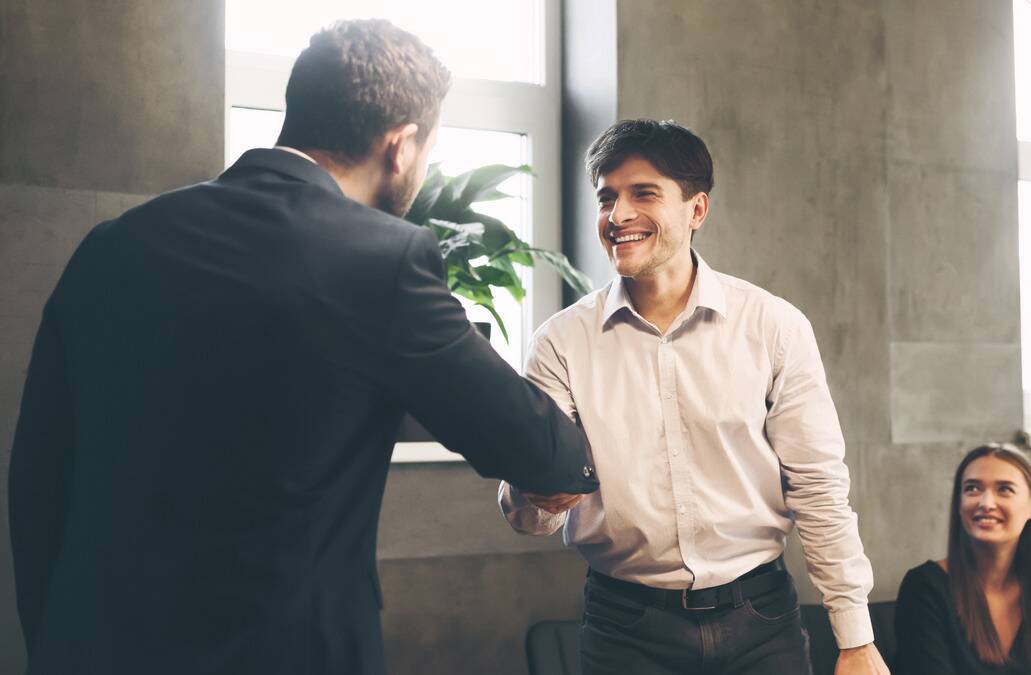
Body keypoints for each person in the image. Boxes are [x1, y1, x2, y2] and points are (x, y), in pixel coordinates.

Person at [8, 19, 597, 675]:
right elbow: (538, 451)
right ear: (400, 147)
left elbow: (36, 481)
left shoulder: (112, 245)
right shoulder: (384, 261)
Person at [497, 119, 888, 675]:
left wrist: (855, 638)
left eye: (644, 194)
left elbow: (819, 486)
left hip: (761, 619)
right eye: (607, 198)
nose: (619, 215)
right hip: (624, 628)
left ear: (697, 210)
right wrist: (535, 497)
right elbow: (530, 512)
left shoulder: (773, 326)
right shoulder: (560, 342)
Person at [894, 443, 1031, 675]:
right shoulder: (924, 587)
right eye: (972, 489)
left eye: (1004, 489)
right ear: (959, 504)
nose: (986, 503)